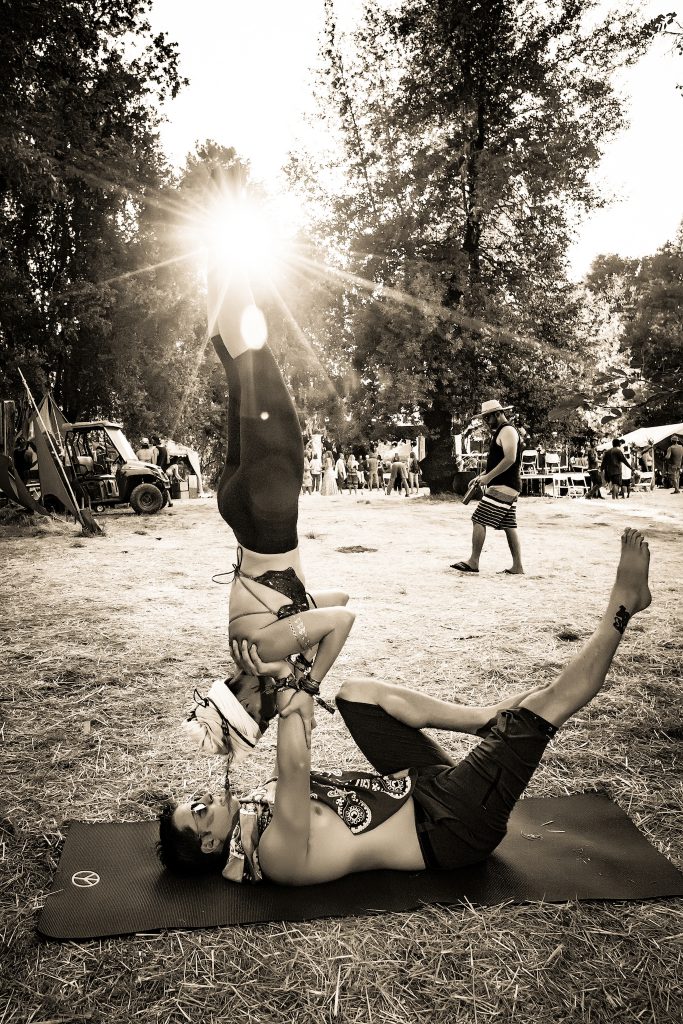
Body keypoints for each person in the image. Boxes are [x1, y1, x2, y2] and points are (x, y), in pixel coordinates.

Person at [158, 529, 652, 883]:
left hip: (418, 783)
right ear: (209, 843)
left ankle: (482, 721)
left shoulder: (250, 815)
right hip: (450, 824)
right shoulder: (276, 857)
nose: (208, 800)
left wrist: (283, 636)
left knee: (356, 695)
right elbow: (295, 764)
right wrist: (286, 679)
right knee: (544, 707)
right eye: (200, 811)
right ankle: (625, 604)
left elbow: (330, 615)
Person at [205, 238, 354, 734]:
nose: (258, 707)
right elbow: (339, 600)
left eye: (248, 710)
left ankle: (224, 240)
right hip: (244, 512)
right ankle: (214, 253)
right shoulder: (258, 645)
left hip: (267, 513)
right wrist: (300, 627)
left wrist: (308, 678)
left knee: (255, 356)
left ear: (237, 692)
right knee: (237, 366)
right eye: (259, 716)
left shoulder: (262, 652)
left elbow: (342, 622)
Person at [451, 400, 524, 575]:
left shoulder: (507, 430)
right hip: (507, 485)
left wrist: (488, 478)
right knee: (509, 525)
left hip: (504, 485)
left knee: (478, 519)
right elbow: (498, 462)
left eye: (487, 417)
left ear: (498, 414)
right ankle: (517, 566)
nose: (485, 421)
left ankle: (473, 561)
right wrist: (481, 477)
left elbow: (510, 459)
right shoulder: (502, 431)